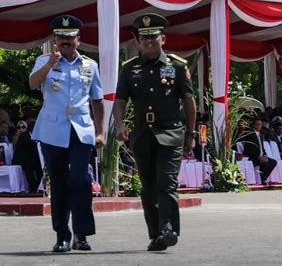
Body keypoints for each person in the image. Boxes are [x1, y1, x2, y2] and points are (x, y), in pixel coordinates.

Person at [113, 13, 196, 252]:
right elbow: (120, 101)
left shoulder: (177, 66)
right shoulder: (130, 69)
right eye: (144, 38)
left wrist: (190, 135)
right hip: (142, 135)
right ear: (138, 42)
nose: (148, 42)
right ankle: (156, 234)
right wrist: (120, 126)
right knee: (148, 187)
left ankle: (169, 228)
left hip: (170, 133)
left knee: (166, 182)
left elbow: (189, 102)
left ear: (163, 39)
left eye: (153, 37)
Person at [29, 14, 105, 252]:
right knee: (59, 182)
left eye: (70, 38)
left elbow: (97, 100)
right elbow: (32, 84)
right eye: (61, 38)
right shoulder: (44, 61)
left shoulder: (90, 65)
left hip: (81, 130)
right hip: (52, 130)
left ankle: (81, 234)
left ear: (78, 41)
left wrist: (101, 132)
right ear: (54, 39)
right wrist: (51, 63)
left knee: (81, 179)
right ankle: (62, 235)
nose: (65, 42)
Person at [243, 118, 277, 185]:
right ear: (253, 125)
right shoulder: (250, 134)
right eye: (257, 125)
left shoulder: (261, 135)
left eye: (260, 125)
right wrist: (259, 157)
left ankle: (263, 178)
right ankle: (262, 180)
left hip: (261, 156)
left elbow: (262, 148)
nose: (258, 126)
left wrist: (265, 156)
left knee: (273, 162)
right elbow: (249, 149)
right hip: (253, 157)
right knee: (265, 163)